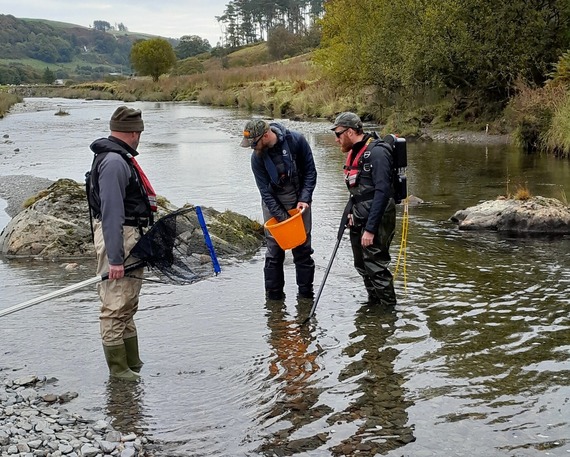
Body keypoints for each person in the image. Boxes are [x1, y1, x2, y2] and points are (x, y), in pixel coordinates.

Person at [87, 106, 157, 381]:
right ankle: (118, 371)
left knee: (128, 302)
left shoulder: (118, 158)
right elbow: (111, 213)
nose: (140, 137)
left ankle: (132, 362)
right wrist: (115, 259)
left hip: (132, 237)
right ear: (133, 132)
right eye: (139, 132)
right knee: (115, 305)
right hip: (121, 238)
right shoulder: (115, 163)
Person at [240, 119, 317, 301]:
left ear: (266, 135)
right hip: (273, 203)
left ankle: (306, 297)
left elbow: (310, 172)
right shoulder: (256, 159)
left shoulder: (297, 141)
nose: (253, 148)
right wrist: (283, 219)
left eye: (254, 143)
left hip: (299, 202)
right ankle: (274, 302)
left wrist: (305, 198)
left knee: (303, 250)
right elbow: (265, 193)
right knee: (274, 253)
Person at [331, 112, 397, 306]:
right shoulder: (356, 152)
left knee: (375, 266)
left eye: (338, 134)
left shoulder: (377, 153)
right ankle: (373, 306)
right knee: (361, 264)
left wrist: (370, 229)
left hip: (377, 217)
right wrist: (352, 214)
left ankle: (388, 313)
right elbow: (358, 191)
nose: (336, 140)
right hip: (358, 214)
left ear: (350, 132)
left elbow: (382, 192)